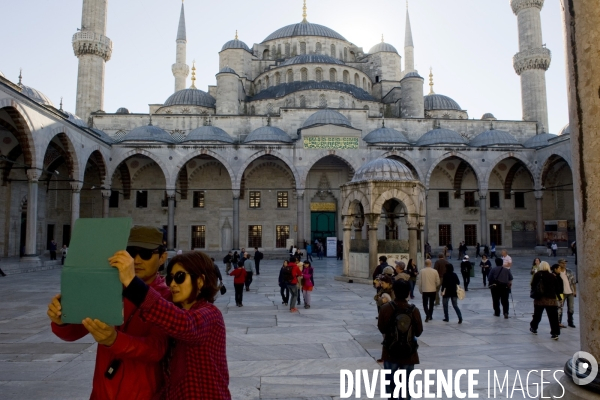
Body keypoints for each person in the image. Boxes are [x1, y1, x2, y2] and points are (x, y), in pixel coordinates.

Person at [47, 226, 172, 399]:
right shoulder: (109, 288)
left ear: (162, 258)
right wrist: (62, 320)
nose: (136, 260)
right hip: (103, 391)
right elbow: (77, 329)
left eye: (145, 254)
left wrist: (114, 340)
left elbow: (157, 349)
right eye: (130, 253)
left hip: (143, 393)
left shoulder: (167, 297)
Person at [110, 250, 231, 399]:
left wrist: (132, 283)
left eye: (180, 277)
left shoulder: (210, 314)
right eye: (170, 278)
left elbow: (185, 324)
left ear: (200, 281)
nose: (173, 284)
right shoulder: (177, 317)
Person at [378, 280, 423, 400]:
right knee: (406, 386)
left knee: (390, 385)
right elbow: (418, 332)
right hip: (409, 353)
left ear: (394, 291)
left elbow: (382, 329)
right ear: (408, 292)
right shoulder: (414, 310)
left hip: (390, 351)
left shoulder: (385, 308)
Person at [530, 261, 562, 340]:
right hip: (551, 299)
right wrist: (559, 298)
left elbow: (533, 285)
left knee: (537, 315)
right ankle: (555, 333)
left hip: (539, 299)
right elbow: (557, 288)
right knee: (553, 317)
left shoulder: (537, 275)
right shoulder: (552, 276)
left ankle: (534, 328)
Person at [557, 259, 577, 328]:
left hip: (570, 292)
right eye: (562, 263)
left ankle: (570, 322)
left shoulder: (569, 271)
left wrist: (575, 291)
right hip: (562, 293)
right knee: (560, 307)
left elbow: (573, 282)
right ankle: (559, 322)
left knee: (571, 308)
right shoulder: (557, 272)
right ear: (559, 263)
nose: (564, 264)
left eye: (565, 263)